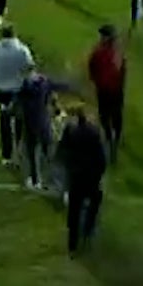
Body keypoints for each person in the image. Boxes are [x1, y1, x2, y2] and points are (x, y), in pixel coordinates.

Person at [55, 106, 109, 254]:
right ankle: (88, 228)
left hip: (76, 177)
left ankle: (72, 245)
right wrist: (99, 174)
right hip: (91, 176)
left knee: (74, 210)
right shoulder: (93, 133)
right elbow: (101, 158)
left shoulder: (70, 131)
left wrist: (67, 166)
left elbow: (61, 150)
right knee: (95, 200)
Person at [0, 25, 35, 169]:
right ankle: (18, 152)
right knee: (19, 121)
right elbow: (30, 67)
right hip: (17, 89)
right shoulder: (21, 49)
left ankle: (6, 155)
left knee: (4, 121)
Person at [86, 24, 126, 162]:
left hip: (108, 89)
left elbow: (92, 68)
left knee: (108, 115)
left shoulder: (102, 52)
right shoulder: (113, 53)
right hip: (111, 89)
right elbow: (122, 70)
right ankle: (113, 139)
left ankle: (112, 139)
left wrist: (96, 80)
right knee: (112, 115)